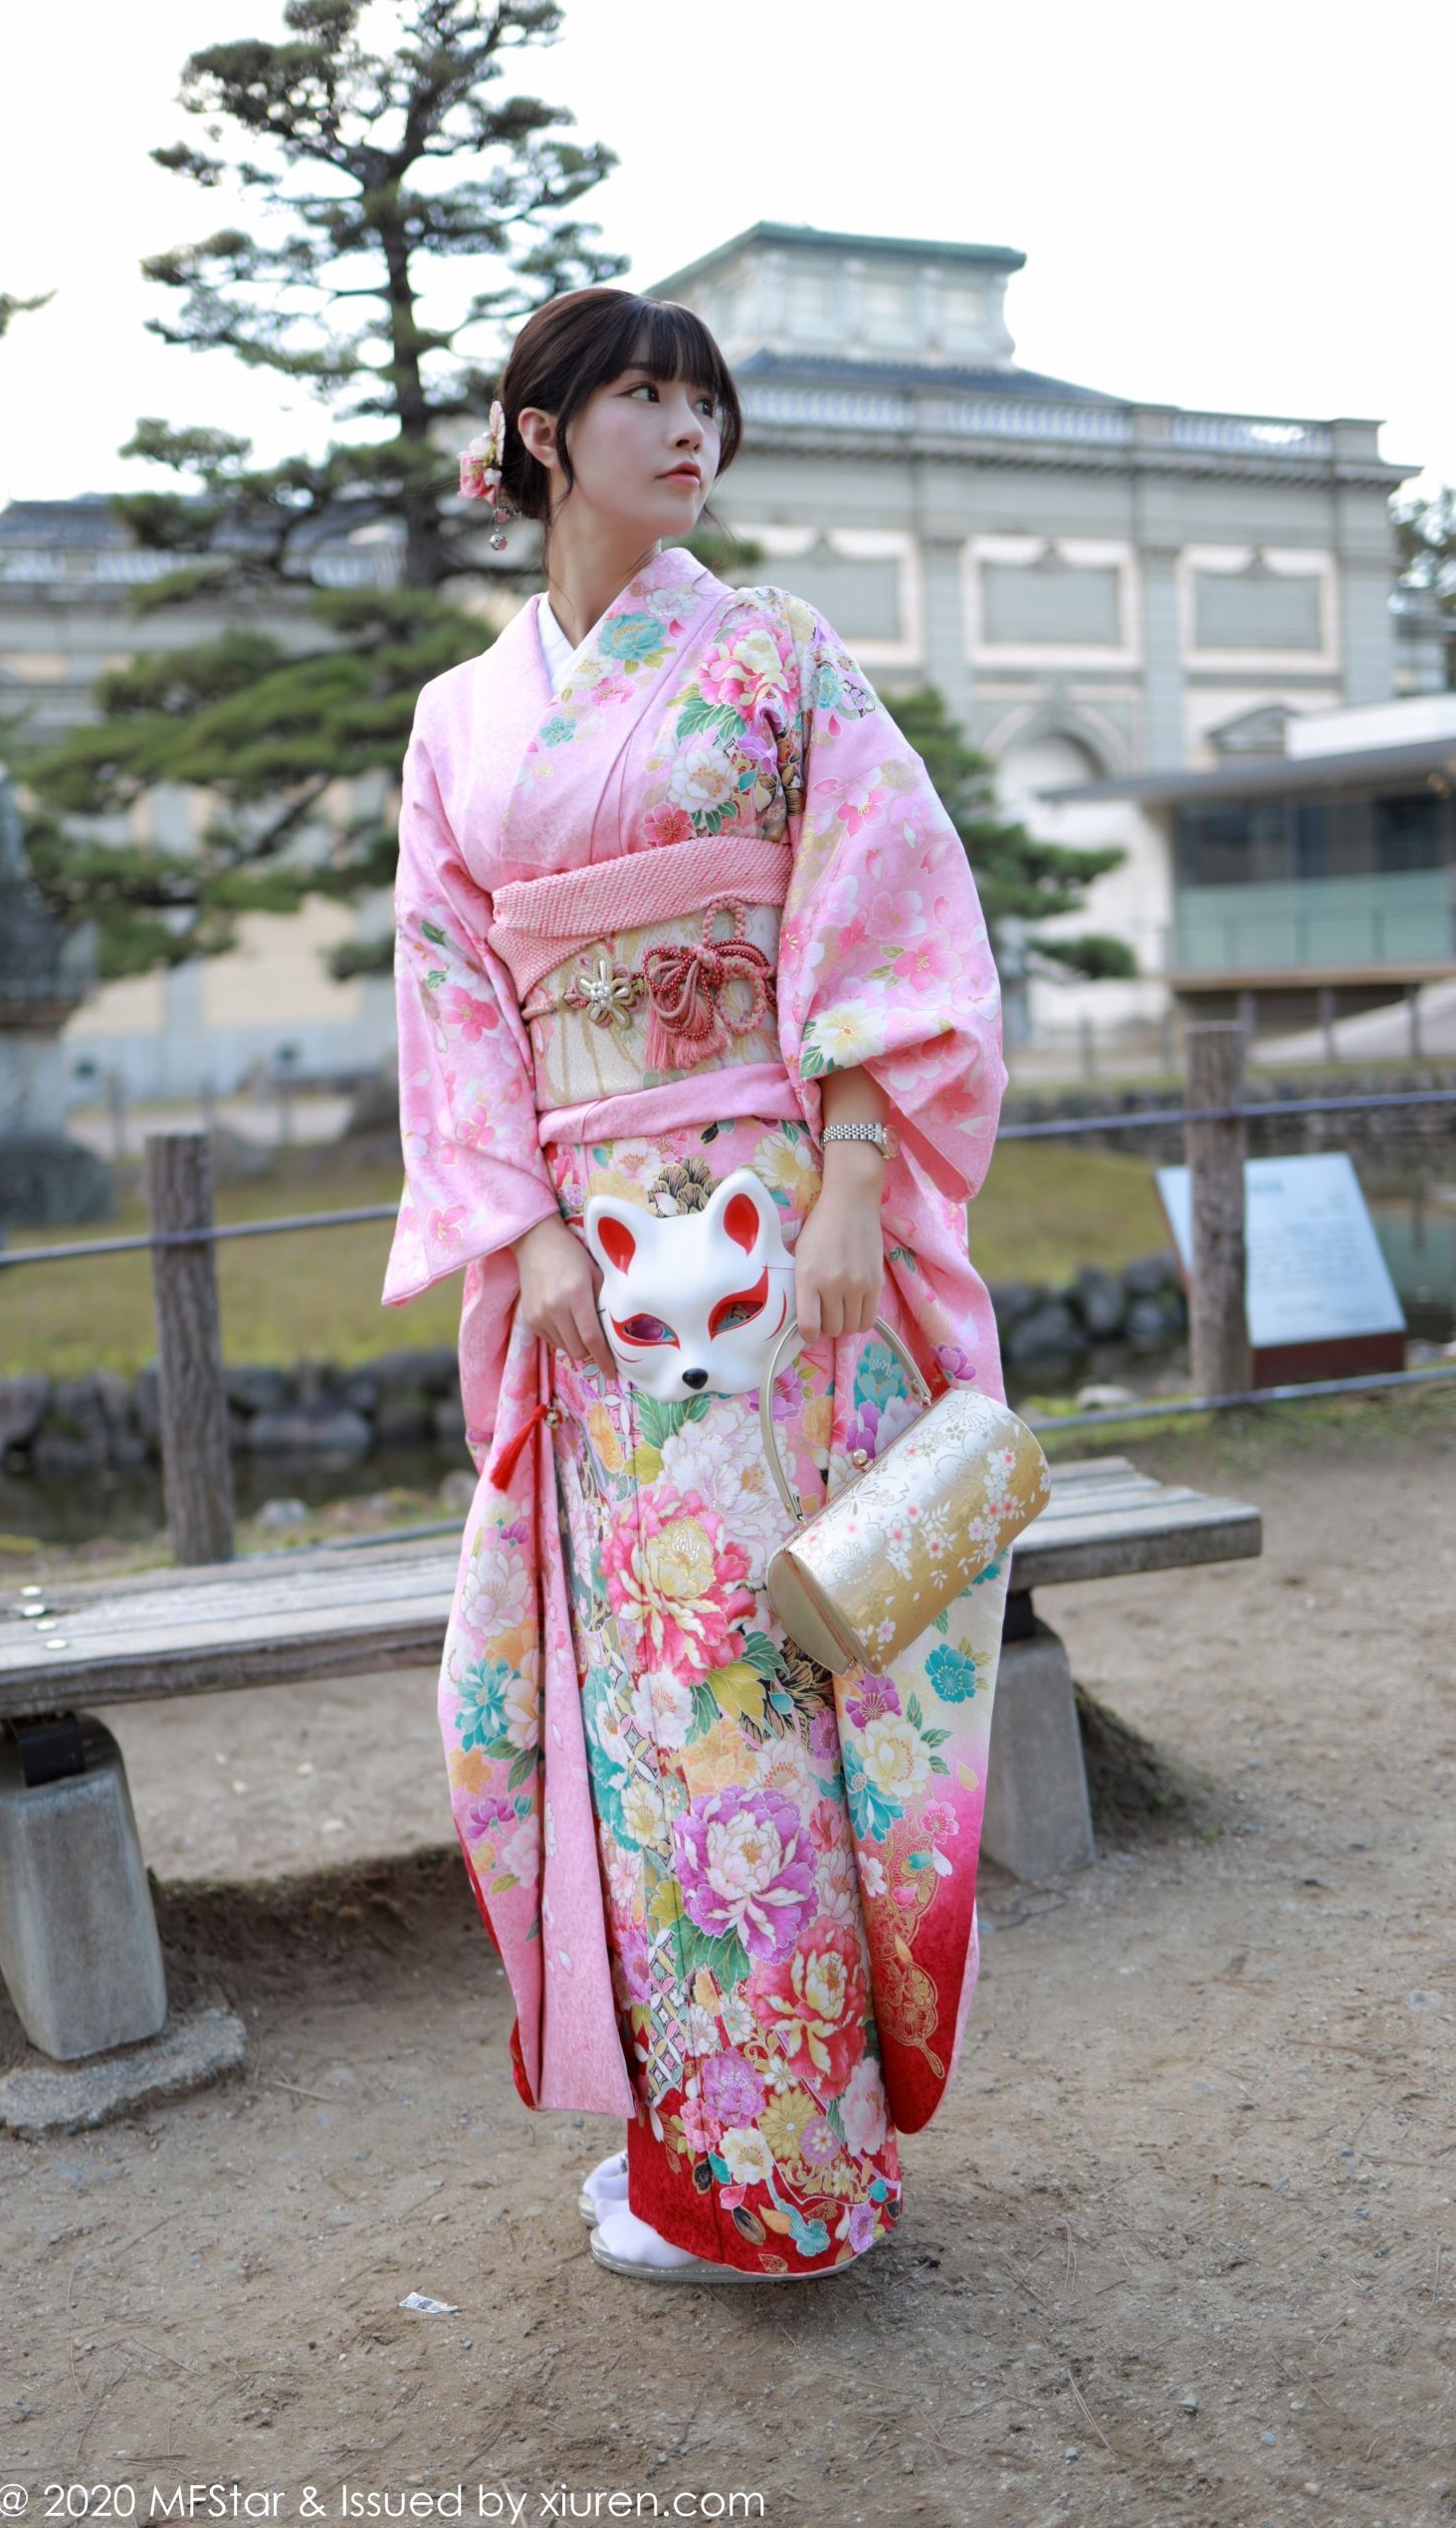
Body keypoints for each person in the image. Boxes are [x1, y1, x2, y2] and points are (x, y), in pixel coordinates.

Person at [379, 287, 1009, 2284]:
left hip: (768, 1239)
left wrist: (851, 1186)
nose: (686, 432)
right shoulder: (461, 719)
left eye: (704, 403)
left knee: (754, 1672)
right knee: (637, 1694)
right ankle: (708, 2145)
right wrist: (525, 1233)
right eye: (644, 396)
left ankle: (780, 2180)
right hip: (591, 1272)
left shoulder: (776, 655)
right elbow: (450, 995)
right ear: (541, 434)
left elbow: (880, 915)